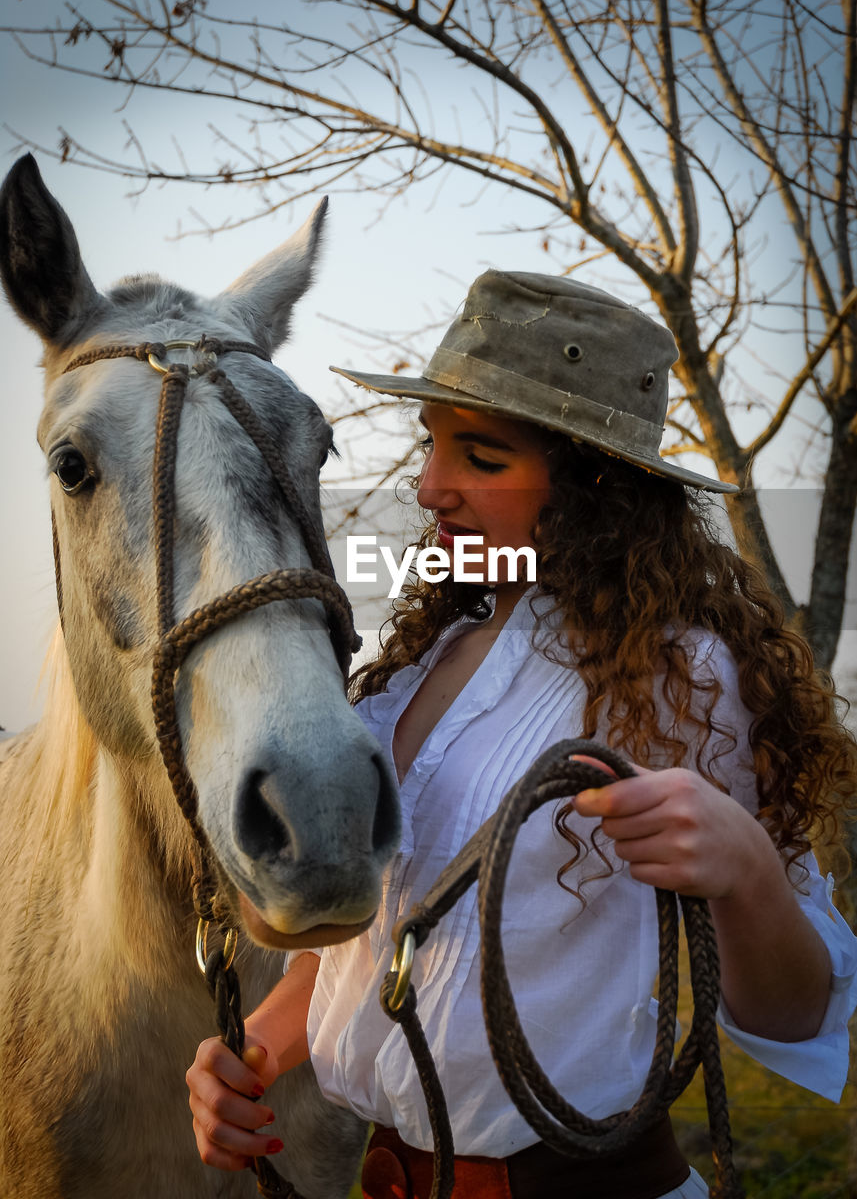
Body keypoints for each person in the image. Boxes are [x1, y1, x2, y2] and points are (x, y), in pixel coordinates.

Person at [186, 270, 857, 1198]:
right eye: (431, 447)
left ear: (592, 484)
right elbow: (387, 944)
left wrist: (742, 865)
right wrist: (253, 1049)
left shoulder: (683, 678)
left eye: (482, 459)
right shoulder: (415, 672)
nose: (428, 489)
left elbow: (792, 1012)